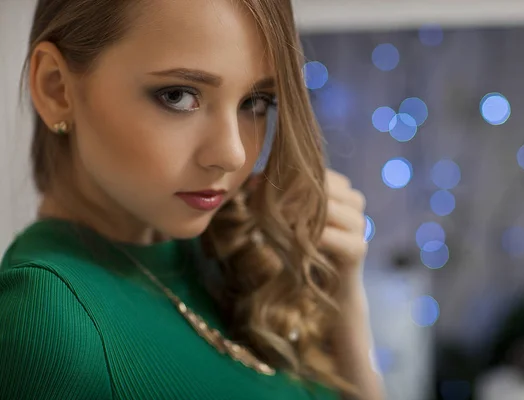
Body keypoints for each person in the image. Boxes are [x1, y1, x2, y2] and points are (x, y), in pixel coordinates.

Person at [0, 0, 385, 399]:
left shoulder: (217, 253)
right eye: (178, 96)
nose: (233, 153)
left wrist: (345, 301)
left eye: (255, 103)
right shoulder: (46, 317)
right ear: (55, 88)